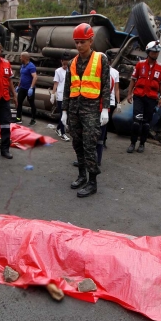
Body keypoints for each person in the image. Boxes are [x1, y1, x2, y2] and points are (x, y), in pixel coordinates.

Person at [62, 23, 110, 198]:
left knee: (89, 145)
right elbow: (68, 87)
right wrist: (64, 111)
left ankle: (92, 182)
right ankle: (82, 175)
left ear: (91, 40)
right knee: (77, 143)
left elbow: (106, 85)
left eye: (82, 42)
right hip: (74, 109)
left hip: (91, 110)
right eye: (76, 42)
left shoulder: (100, 59)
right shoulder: (73, 62)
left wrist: (105, 108)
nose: (79, 45)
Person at [126, 40, 161, 154]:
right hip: (139, 96)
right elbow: (133, 80)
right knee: (136, 122)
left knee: (146, 123)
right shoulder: (140, 64)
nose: (155, 54)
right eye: (153, 52)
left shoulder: (160, 67)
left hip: (151, 98)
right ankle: (132, 143)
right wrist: (129, 94)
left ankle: (142, 144)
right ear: (148, 52)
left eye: (157, 52)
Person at [51, 53, 71, 142]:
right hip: (61, 95)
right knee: (63, 115)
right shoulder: (58, 71)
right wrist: (53, 94)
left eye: (67, 64)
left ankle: (58, 128)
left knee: (66, 115)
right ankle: (63, 133)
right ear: (61, 61)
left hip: (69, 95)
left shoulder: (71, 70)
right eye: (64, 64)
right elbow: (56, 83)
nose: (65, 66)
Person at [15, 52, 38, 125]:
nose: (20, 58)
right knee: (19, 102)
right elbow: (22, 77)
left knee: (31, 104)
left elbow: (35, 77)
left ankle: (33, 119)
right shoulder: (22, 66)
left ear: (25, 58)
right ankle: (18, 118)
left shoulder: (31, 66)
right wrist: (18, 86)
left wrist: (31, 88)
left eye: (21, 57)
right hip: (22, 87)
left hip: (29, 89)